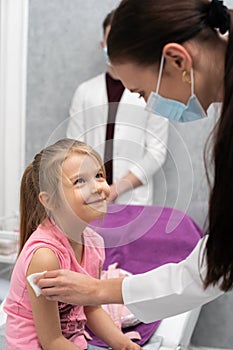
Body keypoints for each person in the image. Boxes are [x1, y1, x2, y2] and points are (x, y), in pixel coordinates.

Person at [36, 0, 233, 323]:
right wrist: (101, 290)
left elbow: (217, 264)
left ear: (177, 60)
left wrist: (100, 290)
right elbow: (219, 262)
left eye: (143, 93)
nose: (149, 106)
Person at [3, 138, 141, 349]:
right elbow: (51, 341)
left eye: (98, 176)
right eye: (79, 181)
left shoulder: (94, 243)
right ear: (49, 200)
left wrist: (125, 345)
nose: (96, 187)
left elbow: (91, 308)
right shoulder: (45, 256)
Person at [66, 10, 169, 205]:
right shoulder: (85, 91)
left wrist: (116, 189)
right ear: (103, 45)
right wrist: (92, 185)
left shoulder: (154, 92)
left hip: (134, 199)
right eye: (111, 41)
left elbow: (157, 152)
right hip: (89, 197)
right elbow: (74, 147)